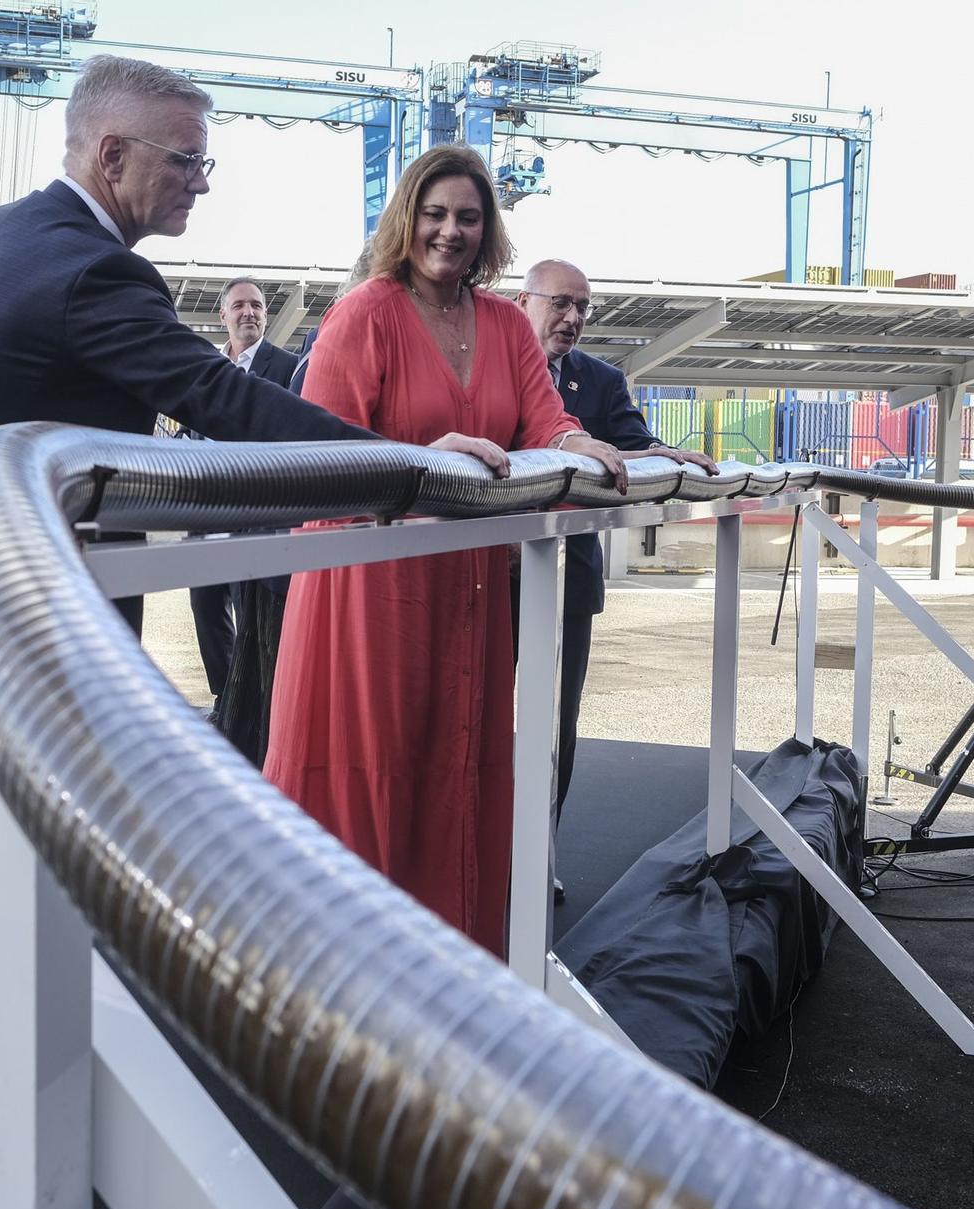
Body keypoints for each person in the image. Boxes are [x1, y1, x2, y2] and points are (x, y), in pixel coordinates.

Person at [0, 56, 499, 1148]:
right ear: (110, 154)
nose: (201, 181)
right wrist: (406, 462)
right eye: (186, 160)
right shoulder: (96, 273)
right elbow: (220, 399)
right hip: (0, 587)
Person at [263, 145, 629, 957]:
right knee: (376, 773)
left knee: (457, 773)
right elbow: (324, 460)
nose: (450, 232)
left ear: (487, 228)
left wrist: (583, 443)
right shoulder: (365, 313)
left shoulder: (504, 323)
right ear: (407, 219)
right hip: (370, 592)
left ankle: (450, 988)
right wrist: (428, 456)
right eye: (434, 214)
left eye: (467, 217)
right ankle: (351, 983)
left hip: (467, 594)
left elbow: (541, 420)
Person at [512, 258, 714, 818]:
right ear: (523, 302)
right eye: (560, 303)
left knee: (557, 722)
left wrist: (665, 457)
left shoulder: (600, 381)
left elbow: (637, 445)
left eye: (583, 306)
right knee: (480, 720)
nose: (573, 317)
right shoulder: (490, 371)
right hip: (490, 581)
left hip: (568, 583)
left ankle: (539, 855)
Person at [184, 275, 297, 724]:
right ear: (223, 314)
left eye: (257, 306)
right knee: (206, 608)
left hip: (257, 516)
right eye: (240, 306)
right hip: (208, 513)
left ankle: (252, 711)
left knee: (250, 613)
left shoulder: (285, 367)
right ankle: (226, 701)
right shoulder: (206, 367)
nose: (249, 312)